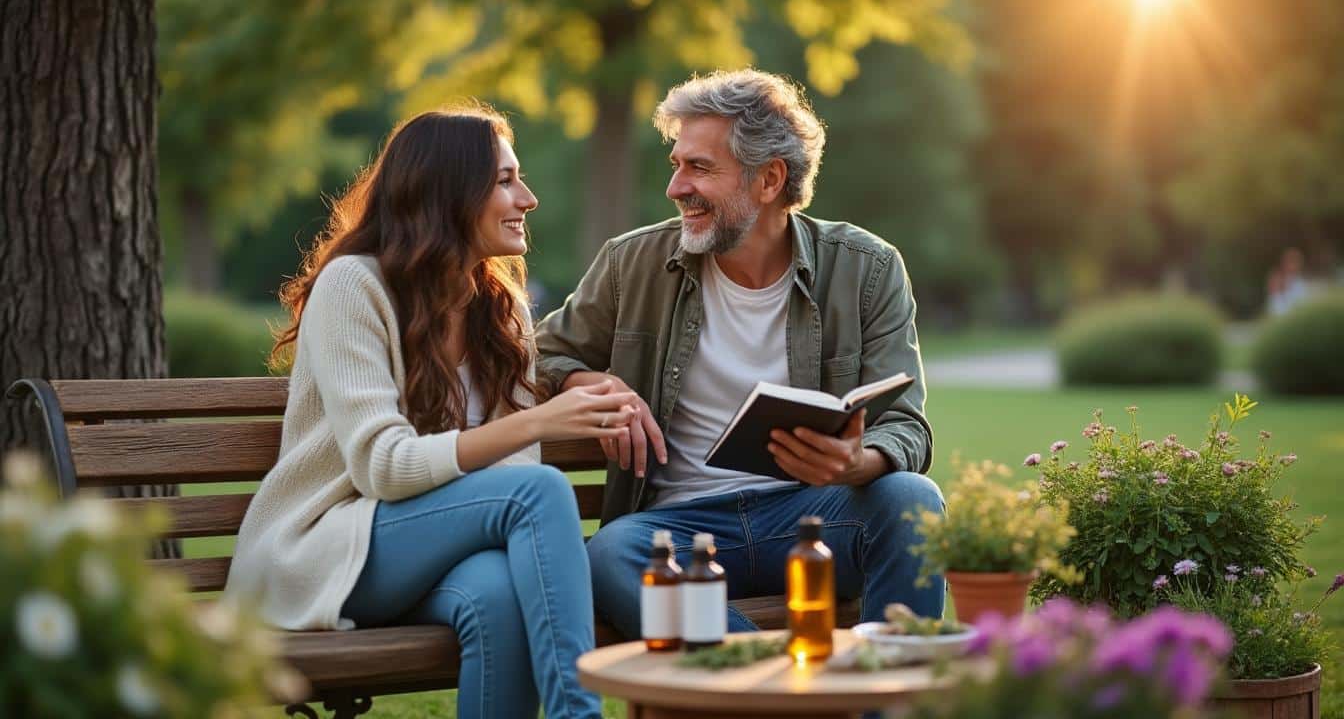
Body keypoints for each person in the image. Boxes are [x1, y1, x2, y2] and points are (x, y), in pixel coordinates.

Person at [226, 106, 636, 719]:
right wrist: (541, 421)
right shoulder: (353, 286)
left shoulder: (501, 310)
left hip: (426, 552)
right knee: (540, 490)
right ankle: (578, 713)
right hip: (327, 553)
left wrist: (526, 431)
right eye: (503, 180)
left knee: (496, 597)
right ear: (447, 190)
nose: (527, 197)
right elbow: (382, 469)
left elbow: (508, 468)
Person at [534, 69, 945, 640]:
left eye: (699, 168)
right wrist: (595, 387)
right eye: (676, 164)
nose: (676, 187)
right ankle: (772, 690)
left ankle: (886, 696)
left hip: (811, 519)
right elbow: (541, 354)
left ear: (769, 179)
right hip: (679, 527)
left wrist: (858, 464)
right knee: (609, 554)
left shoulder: (865, 268)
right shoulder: (632, 264)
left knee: (912, 501)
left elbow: (906, 427)